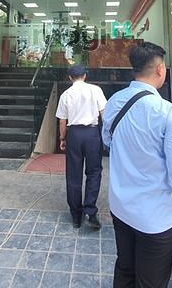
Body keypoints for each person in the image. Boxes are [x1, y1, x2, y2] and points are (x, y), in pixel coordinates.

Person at [102, 42, 172, 287]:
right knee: (151, 281)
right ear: (160, 69)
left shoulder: (114, 101)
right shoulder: (165, 110)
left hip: (121, 206)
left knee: (125, 268)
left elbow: (107, 140)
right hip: (154, 217)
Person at [56, 64, 107, 229]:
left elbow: (62, 120)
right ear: (85, 75)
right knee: (94, 172)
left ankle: (76, 215)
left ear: (70, 77)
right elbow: (104, 114)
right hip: (92, 134)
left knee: (73, 174)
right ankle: (90, 211)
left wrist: (62, 138)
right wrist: (106, 134)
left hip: (74, 135)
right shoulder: (95, 90)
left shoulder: (66, 94)